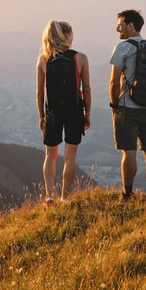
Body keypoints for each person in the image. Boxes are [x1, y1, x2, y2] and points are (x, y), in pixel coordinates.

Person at [35, 20, 91, 204]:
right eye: (71, 35)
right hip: (74, 112)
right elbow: (87, 89)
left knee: (50, 155)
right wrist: (87, 114)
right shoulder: (80, 58)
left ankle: (49, 196)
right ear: (65, 36)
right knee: (70, 156)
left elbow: (39, 92)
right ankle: (64, 197)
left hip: (52, 113)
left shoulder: (43, 59)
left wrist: (42, 117)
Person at [109, 9, 146, 200]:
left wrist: (114, 105)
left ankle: (127, 194)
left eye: (120, 25)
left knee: (128, 153)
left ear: (131, 26)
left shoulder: (123, 48)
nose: (117, 29)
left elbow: (114, 81)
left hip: (128, 108)